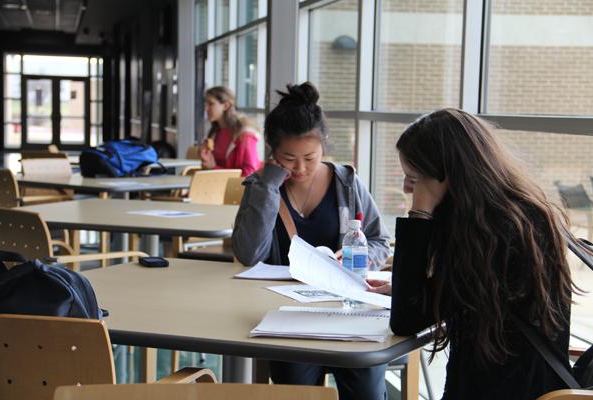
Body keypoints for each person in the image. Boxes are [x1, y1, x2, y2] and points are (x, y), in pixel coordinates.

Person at [368, 108, 578, 399]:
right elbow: (467, 296)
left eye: (413, 179)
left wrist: (419, 214)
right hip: (527, 386)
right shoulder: (518, 216)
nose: (406, 188)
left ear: (445, 178)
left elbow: (407, 321)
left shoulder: (493, 235)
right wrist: (410, 288)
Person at [232, 82, 391, 400]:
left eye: (310, 157)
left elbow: (378, 239)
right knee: (294, 383)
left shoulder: (347, 184)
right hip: (284, 311)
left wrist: (355, 258)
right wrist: (269, 185)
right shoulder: (261, 187)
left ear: (324, 146)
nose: (301, 168)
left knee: (365, 386)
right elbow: (249, 254)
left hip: (348, 309)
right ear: (272, 151)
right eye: (289, 158)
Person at [199, 86, 262, 176]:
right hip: (215, 186)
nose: (206, 109)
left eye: (211, 104)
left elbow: (249, 173)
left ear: (226, 105)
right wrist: (206, 159)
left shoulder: (244, 134)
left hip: (235, 189)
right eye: (205, 104)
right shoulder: (215, 132)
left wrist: (213, 168)